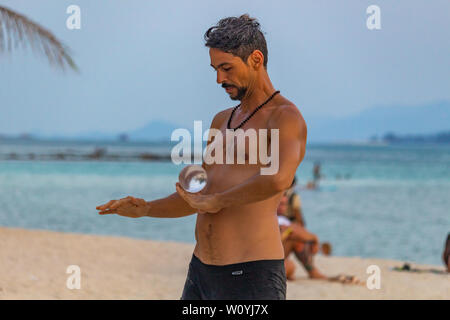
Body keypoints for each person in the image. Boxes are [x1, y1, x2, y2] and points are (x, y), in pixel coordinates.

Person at [96, 14, 307, 300]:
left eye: (226, 68)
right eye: (215, 69)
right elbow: (201, 196)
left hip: (252, 276)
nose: (220, 78)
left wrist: (217, 201)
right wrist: (146, 209)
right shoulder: (221, 120)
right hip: (201, 274)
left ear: (256, 60)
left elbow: (278, 179)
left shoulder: (285, 117)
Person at [277, 194, 326, 280]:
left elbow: (297, 230)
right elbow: (296, 230)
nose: (282, 207)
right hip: (265, 259)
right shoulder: (275, 219)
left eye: (284, 204)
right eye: (280, 204)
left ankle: (312, 271)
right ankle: (312, 271)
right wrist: (315, 239)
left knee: (297, 240)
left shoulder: (282, 219)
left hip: (274, 255)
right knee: (290, 266)